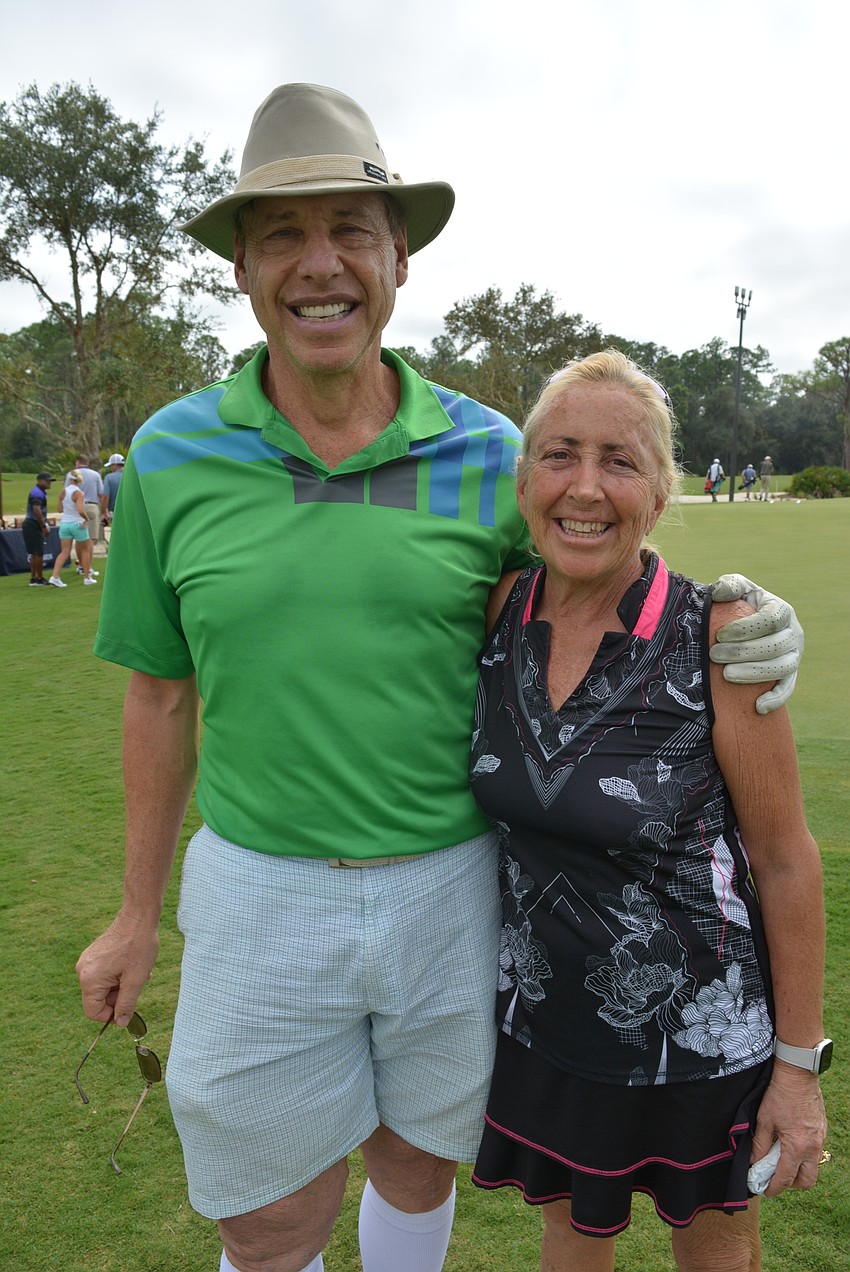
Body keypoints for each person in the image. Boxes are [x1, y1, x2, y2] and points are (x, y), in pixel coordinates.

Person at [75, 85, 804, 1272]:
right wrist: (132, 914)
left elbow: (601, 572)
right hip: (258, 890)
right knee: (267, 1221)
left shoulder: (485, 451)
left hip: (457, 889)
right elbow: (159, 694)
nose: (321, 265)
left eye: (352, 230)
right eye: (283, 237)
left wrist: (747, 617)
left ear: (399, 259)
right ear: (245, 271)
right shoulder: (168, 452)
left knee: (419, 1164)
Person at [469, 351, 829, 1272]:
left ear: (662, 492)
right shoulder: (500, 612)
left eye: (620, 461)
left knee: (717, 1255)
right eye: (559, 454)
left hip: (702, 1043)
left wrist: (798, 1069)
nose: (585, 487)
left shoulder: (721, 637)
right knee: (570, 1241)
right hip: (548, 1025)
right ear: (524, 479)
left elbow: (785, 861)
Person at [48, 470, 98, 588]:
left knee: (64, 552)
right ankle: (87, 577)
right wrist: (86, 519)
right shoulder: (78, 493)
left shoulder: (63, 492)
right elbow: (80, 510)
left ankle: (55, 576)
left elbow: (60, 509)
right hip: (76, 524)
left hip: (65, 524)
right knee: (85, 550)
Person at [64, 453, 106, 565]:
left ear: (78, 462)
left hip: (76, 508)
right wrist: (101, 510)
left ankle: (81, 565)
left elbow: (66, 493)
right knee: (90, 540)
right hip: (91, 506)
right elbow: (101, 494)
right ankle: (88, 567)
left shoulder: (70, 474)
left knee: (79, 539)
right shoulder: (96, 475)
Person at [22, 471, 53, 585]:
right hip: (33, 524)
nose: (50, 483)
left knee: (34, 552)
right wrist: (43, 526)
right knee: (38, 552)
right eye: (47, 481)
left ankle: (34, 578)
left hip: (30, 524)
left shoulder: (39, 492)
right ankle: (39, 578)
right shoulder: (37, 493)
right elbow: (36, 510)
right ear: (40, 481)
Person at [102, 453, 125, 526]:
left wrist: (104, 513)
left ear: (115, 465)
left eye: (110, 466)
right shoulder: (131, 475)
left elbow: (105, 496)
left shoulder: (109, 477)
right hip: (131, 510)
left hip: (115, 512)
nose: (110, 468)